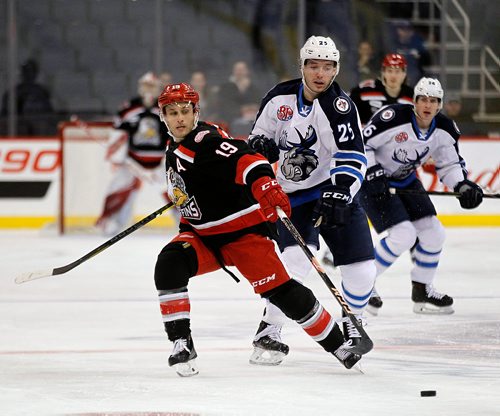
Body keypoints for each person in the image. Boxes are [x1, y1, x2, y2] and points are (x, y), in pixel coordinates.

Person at [154, 82, 367, 377]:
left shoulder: (206, 140)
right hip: (202, 236)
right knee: (169, 264)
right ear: (162, 116)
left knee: (284, 293)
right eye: (172, 112)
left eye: (185, 111)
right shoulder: (173, 147)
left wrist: (264, 183)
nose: (180, 118)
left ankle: (337, 344)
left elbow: (247, 159)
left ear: (195, 112)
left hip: (243, 235)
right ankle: (181, 342)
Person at [247, 35, 376, 365]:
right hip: (289, 197)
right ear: (302, 66)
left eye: (328, 66)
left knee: (361, 268)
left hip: (333, 191)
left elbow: (352, 155)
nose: (320, 73)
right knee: (297, 263)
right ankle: (269, 331)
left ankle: (352, 322)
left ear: (336, 69)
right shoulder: (279, 97)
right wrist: (261, 148)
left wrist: (341, 190)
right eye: (313, 65)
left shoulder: (339, 106)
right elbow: (255, 141)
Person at [359, 77, 483, 315]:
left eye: (434, 100)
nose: (428, 105)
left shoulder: (445, 129)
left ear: (440, 105)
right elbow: (363, 144)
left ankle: (422, 291)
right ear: (414, 101)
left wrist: (462, 185)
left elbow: (449, 165)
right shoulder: (392, 118)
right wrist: (372, 172)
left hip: (406, 181)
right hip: (374, 182)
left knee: (433, 232)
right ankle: (362, 285)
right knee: (403, 235)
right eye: (423, 99)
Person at [96, 72, 169, 235]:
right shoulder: (129, 107)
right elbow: (117, 132)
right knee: (120, 188)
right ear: (140, 87)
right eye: (145, 85)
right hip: (133, 160)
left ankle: (186, 224)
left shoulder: (165, 107)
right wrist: (116, 155)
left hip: (160, 161)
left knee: (174, 192)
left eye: (152, 86)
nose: (148, 89)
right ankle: (112, 222)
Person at [350, 53, 414, 126]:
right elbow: (347, 109)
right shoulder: (365, 90)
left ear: (404, 74)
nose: (393, 76)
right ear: (383, 72)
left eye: (397, 71)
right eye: (389, 71)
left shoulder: (412, 96)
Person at [1, 59, 55, 135]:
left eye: (31, 71)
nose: (28, 74)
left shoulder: (42, 92)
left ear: (35, 73)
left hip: (39, 132)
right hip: (18, 132)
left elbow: (49, 115)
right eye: (26, 71)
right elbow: (5, 116)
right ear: (21, 73)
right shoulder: (12, 93)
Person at [217, 61, 262, 126]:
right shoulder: (225, 88)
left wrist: (253, 108)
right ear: (233, 71)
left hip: (252, 120)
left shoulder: (254, 87)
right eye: (238, 70)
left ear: (247, 71)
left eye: (242, 70)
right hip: (231, 122)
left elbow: (258, 102)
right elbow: (225, 106)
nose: (240, 72)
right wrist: (241, 109)